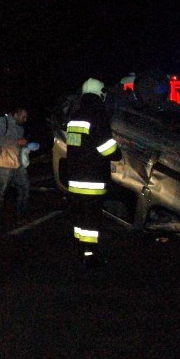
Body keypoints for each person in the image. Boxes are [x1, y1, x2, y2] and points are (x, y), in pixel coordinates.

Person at [65, 78, 121, 267]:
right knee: (92, 220)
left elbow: (73, 147)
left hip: (74, 179)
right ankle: (90, 256)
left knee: (79, 218)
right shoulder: (97, 114)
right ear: (100, 93)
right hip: (93, 180)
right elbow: (106, 148)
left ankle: (79, 251)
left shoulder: (74, 116)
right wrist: (118, 154)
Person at [0, 106, 33, 223]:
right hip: (3, 164)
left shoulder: (20, 128)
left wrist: (26, 148)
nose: (25, 119)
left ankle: (21, 215)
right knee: (0, 192)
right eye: (23, 116)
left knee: (25, 188)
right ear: (16, 114)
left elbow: (18, 147)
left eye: (26, 117)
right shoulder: (2, 121)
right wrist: (17, 142)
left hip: (17, 165)